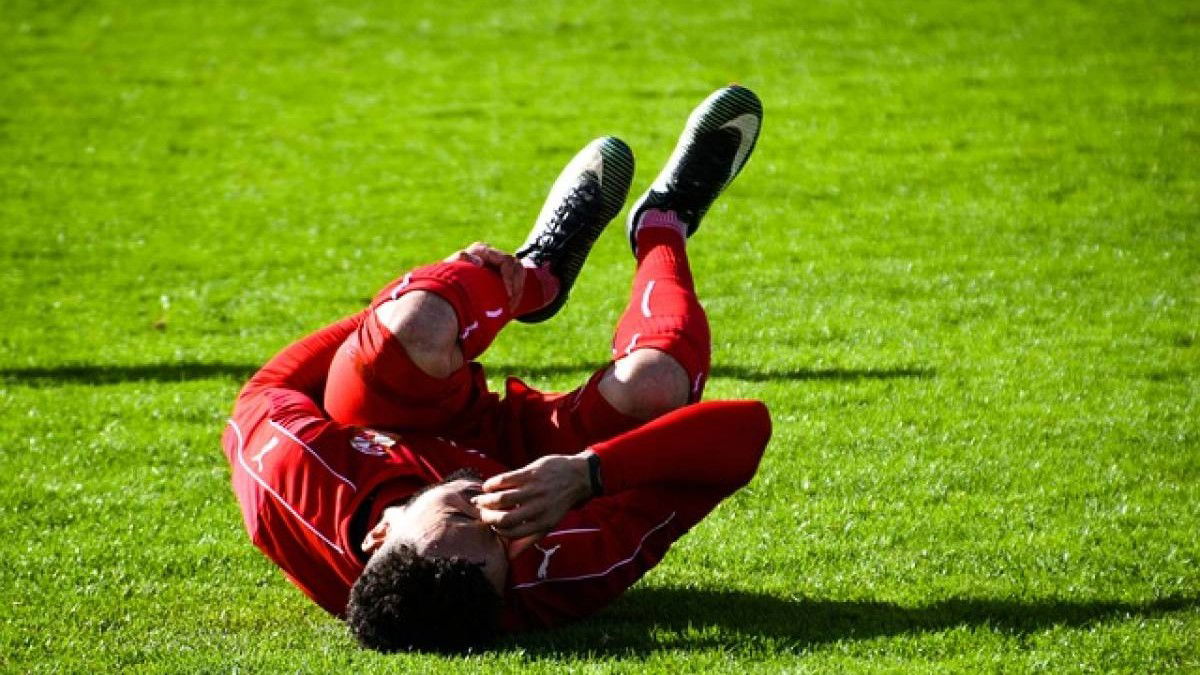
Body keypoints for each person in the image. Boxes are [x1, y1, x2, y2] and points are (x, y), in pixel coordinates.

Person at [221, 85, 771, 652]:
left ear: (381, 534)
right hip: (537, 456)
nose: (490, 503)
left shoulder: (292, 480)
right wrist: (589, 474)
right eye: (502, 538)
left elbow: (265, 389)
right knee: (656, 385)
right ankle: (665, 221)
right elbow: (745, 429)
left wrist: (422, 300)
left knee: (414, 325)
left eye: (462, 516)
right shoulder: (560, 571)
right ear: (509, 585)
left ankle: (535, 278)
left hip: (387, 420)